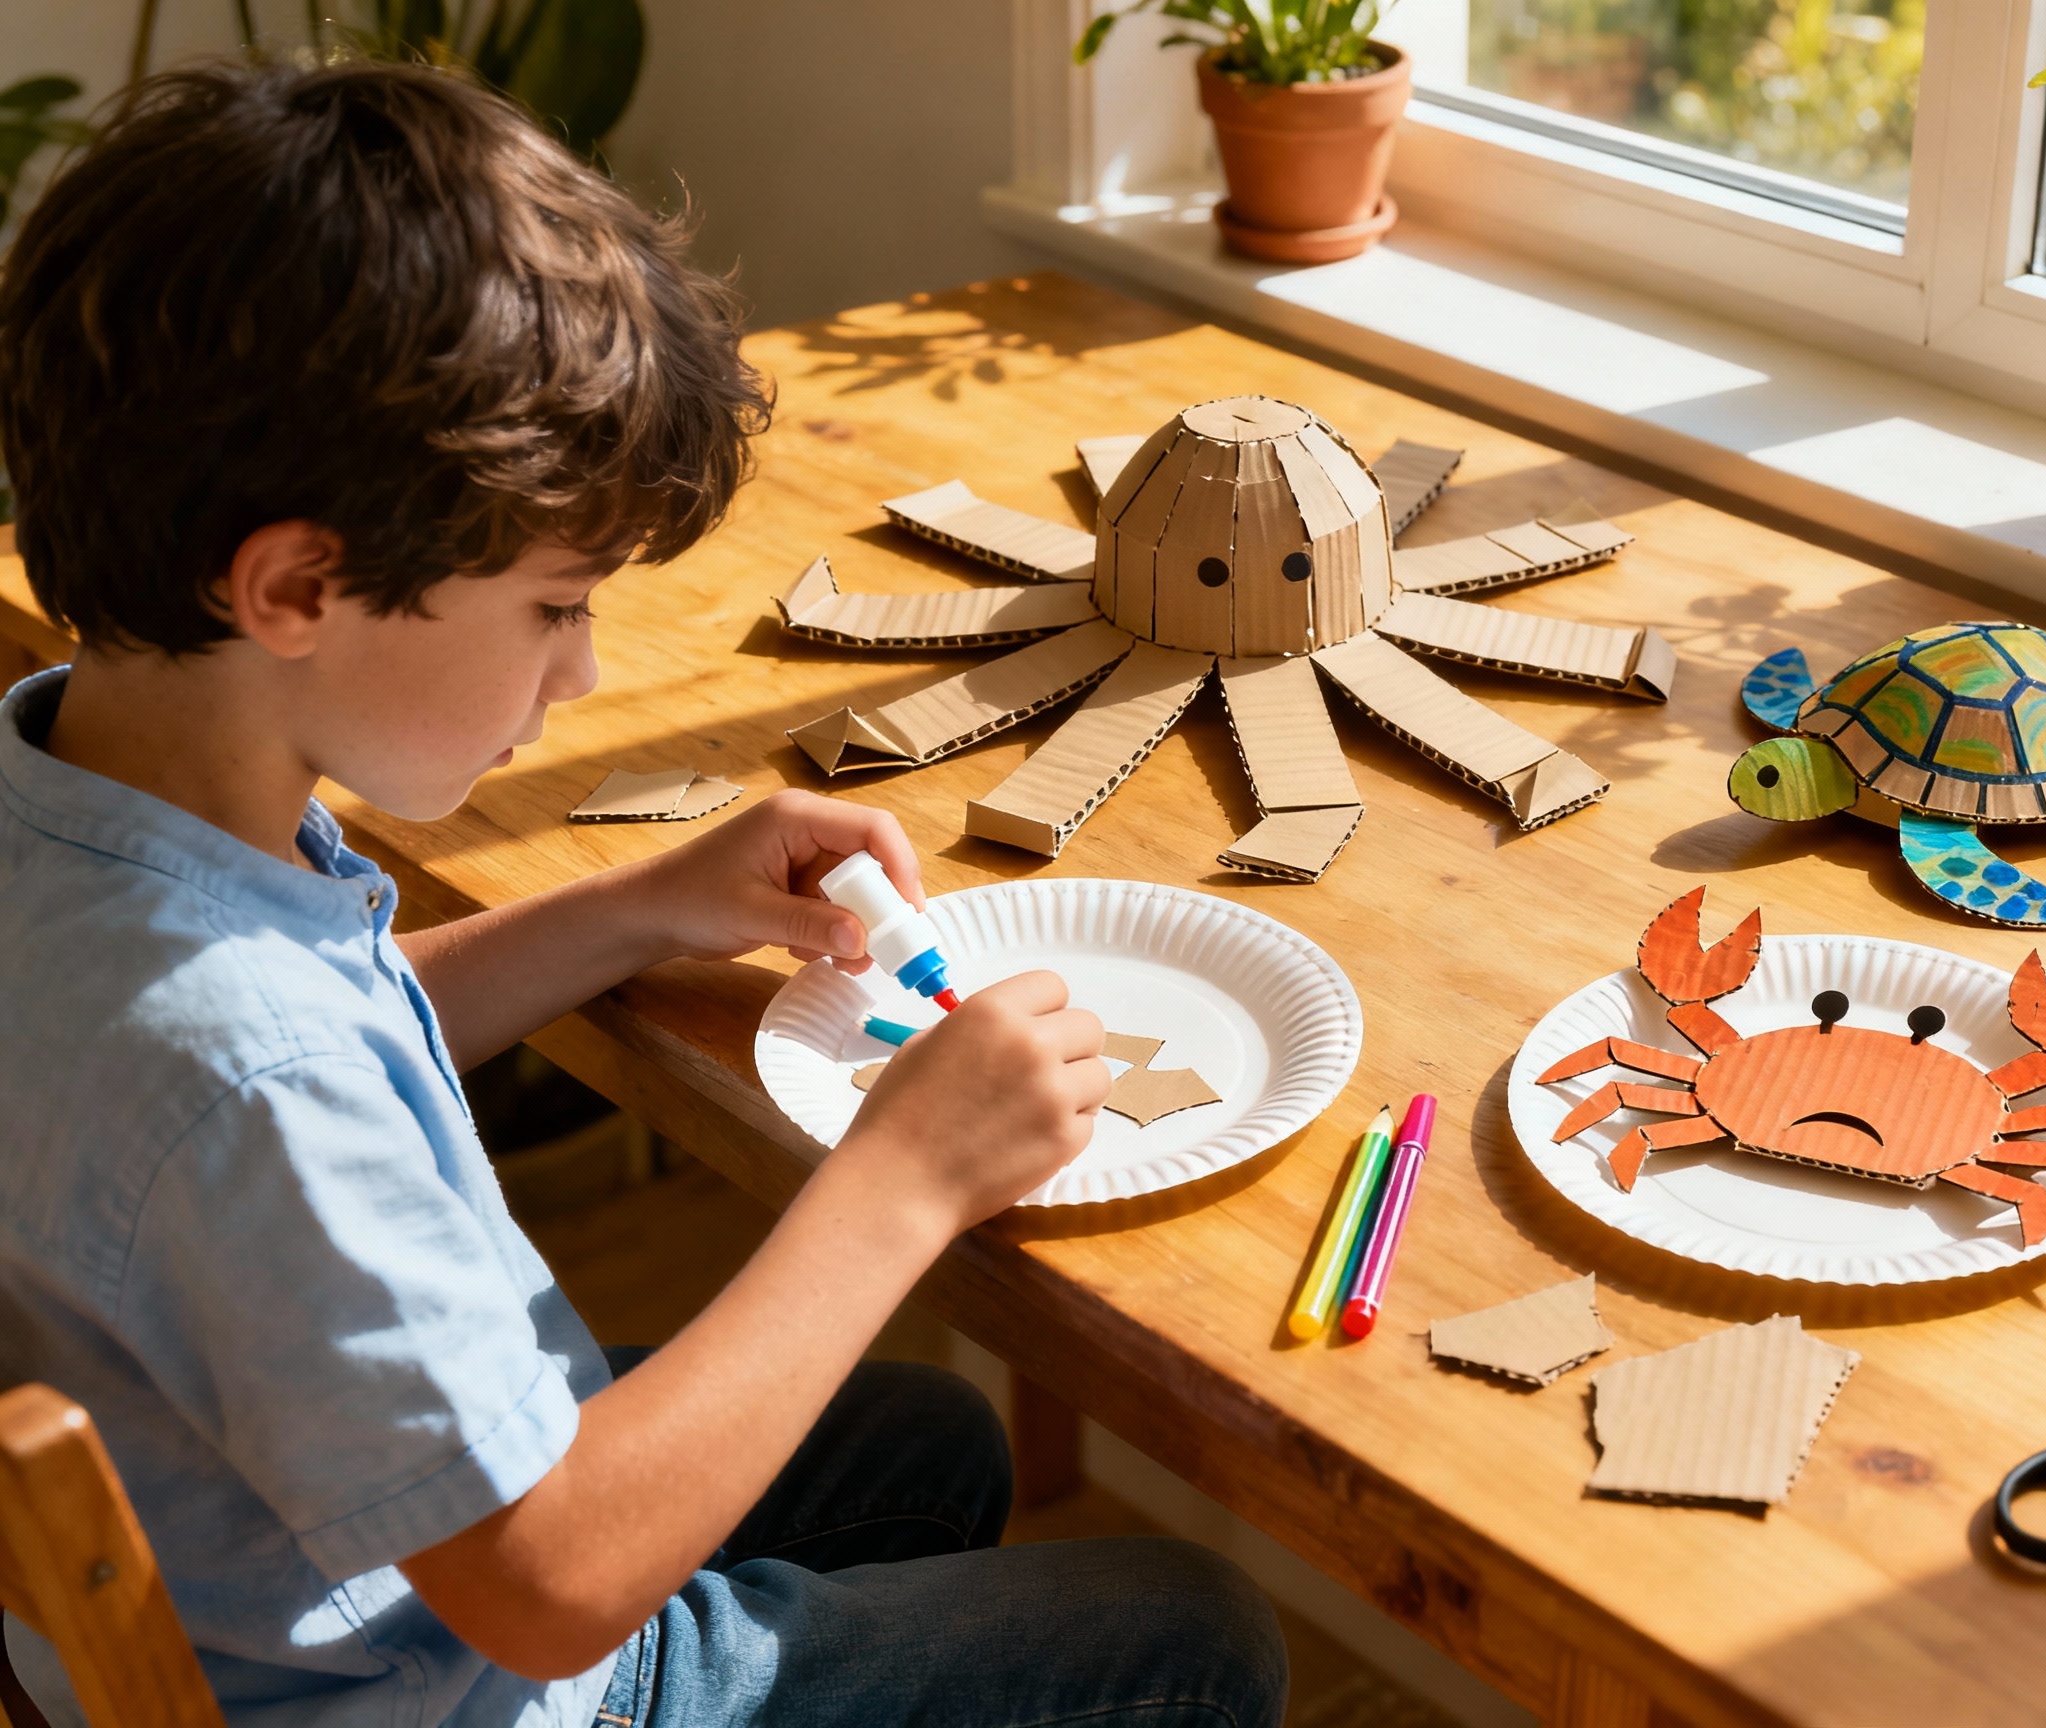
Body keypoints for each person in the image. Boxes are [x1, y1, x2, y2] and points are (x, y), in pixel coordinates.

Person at [0, 58, 1285, 1728]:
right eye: (552, 608)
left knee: (927, 1445)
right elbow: (548, 1590)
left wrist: (639, 907)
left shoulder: (82, 817)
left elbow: (312, 1058)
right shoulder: (245, 1072)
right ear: (299, 583)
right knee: (1187, 1637)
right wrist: (908, 1171)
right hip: (488, 1673)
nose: (587, 671)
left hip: (286, 1583)